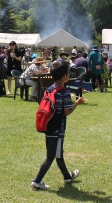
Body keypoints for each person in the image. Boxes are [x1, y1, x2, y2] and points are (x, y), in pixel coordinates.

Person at [30, 60, 85, 190]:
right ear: (65, 76)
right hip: (58, 129)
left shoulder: (49, 89)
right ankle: (37, 181)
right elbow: (67, 112)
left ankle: (67, 177)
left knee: (58, 154)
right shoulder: (64, 92)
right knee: (51, 156)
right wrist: (76, 103)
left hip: (48, 125)